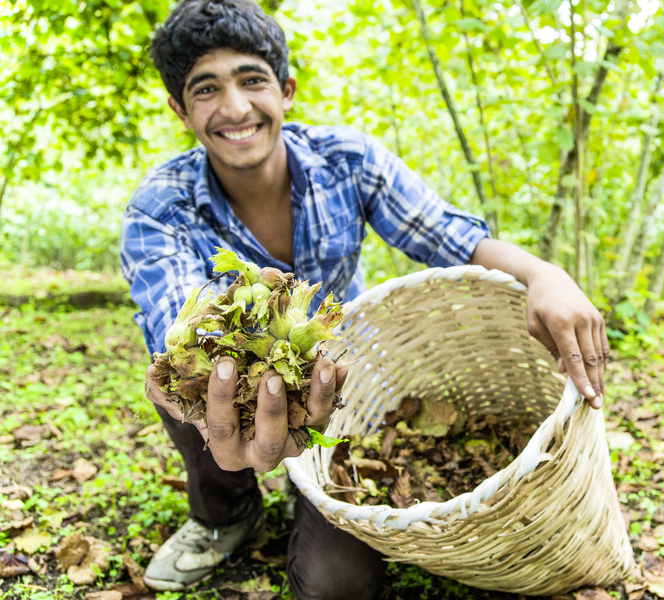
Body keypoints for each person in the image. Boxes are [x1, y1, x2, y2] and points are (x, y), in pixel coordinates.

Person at [120, 0, 609, 597]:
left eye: (252, 80)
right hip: (247, 394)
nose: (236, 107)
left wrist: (544, 273)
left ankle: (312, 491)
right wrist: (214, 398)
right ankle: (226, 514)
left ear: (286, 90)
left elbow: (448, 236)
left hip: (344, 387)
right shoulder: (160, 208)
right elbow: (180, 330)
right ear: (180, 109)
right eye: (206, 89)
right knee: (183, 388)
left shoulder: (346, 161)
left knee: (335, 587)